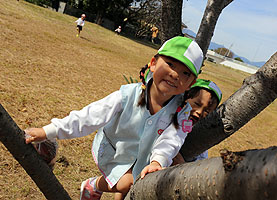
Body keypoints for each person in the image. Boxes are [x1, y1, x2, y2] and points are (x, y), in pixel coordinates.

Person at [25, 36, 204, 200]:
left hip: (143, 160)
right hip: (114, 151)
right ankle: (93, 185)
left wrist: (158, 161)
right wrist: (49, 131)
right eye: (171, 64)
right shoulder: (127, 95)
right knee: (128, 183)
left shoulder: (182, 112)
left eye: (185, 73)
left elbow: (172, 139)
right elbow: (90, 116)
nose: (175, 74)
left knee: (130, 188)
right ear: (153, 63)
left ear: (191, 83)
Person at [172, 79, 222, 165]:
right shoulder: (170, 115)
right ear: (186, 98)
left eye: (207, 111)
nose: (199, 112)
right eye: (197, 104)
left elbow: (200, 162)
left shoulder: (200, 135)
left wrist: (182, 165)